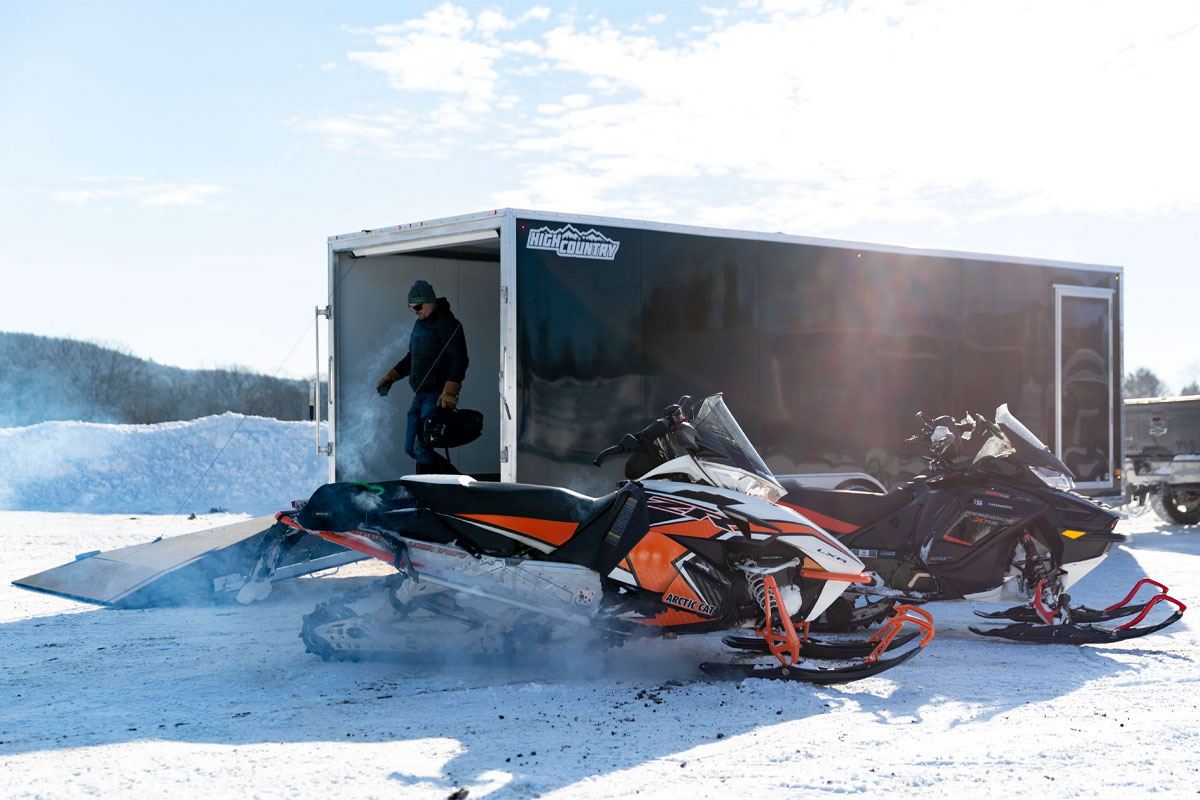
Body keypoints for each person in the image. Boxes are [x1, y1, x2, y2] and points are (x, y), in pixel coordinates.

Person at [376, 279, 469, 473]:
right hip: (420, 394)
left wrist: (451, 389)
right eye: (411, 308)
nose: (415, 312)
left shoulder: (448, 324)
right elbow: (412, 358)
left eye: (417, 307)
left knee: (422, 446)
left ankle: (429, 489)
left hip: (437, 395)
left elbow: (460, 359)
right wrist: (390, 377)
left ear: (429, 302)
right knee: (410, 448)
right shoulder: (420, 325)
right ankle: (449, 478)